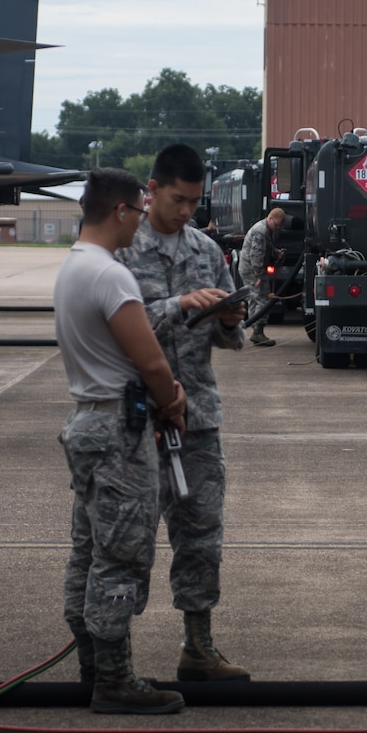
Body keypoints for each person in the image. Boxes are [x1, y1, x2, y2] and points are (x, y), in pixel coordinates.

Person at [115, 143, 252, 682]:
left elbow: (230, 340)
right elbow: (115, 328)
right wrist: (179, 305)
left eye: (194, 203)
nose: (185, 212)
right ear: (151, 191)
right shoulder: (122, 251)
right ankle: (114, 658)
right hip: (140, 421)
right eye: (177, 200)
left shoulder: (206, 250)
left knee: (202, 535)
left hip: (197, 416)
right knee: (129, 542)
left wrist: (226, 319)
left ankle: (198, 644)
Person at [54, 167, 189, 715]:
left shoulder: (71, 267)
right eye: (138, 211)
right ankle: (114, 680)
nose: (140, 222)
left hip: (87, 422)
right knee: (122, 554)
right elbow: (150, 359)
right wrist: (173, 399)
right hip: (117, 431)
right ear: (119, 212)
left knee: (88, 550)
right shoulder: (110, 275)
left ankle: (94, 665)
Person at [237, 206, 286, 347]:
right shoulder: (261, 231)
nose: (276, 228)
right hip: (252, 269)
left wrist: (276, 252)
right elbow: (256, 255)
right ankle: (258, 331)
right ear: (270, 218)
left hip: (248, 268)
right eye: (276, 224)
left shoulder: (265, 229)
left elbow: (267, 246)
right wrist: (259, 276)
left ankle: (256, 330)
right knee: (263, 298)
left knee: (254, 299)